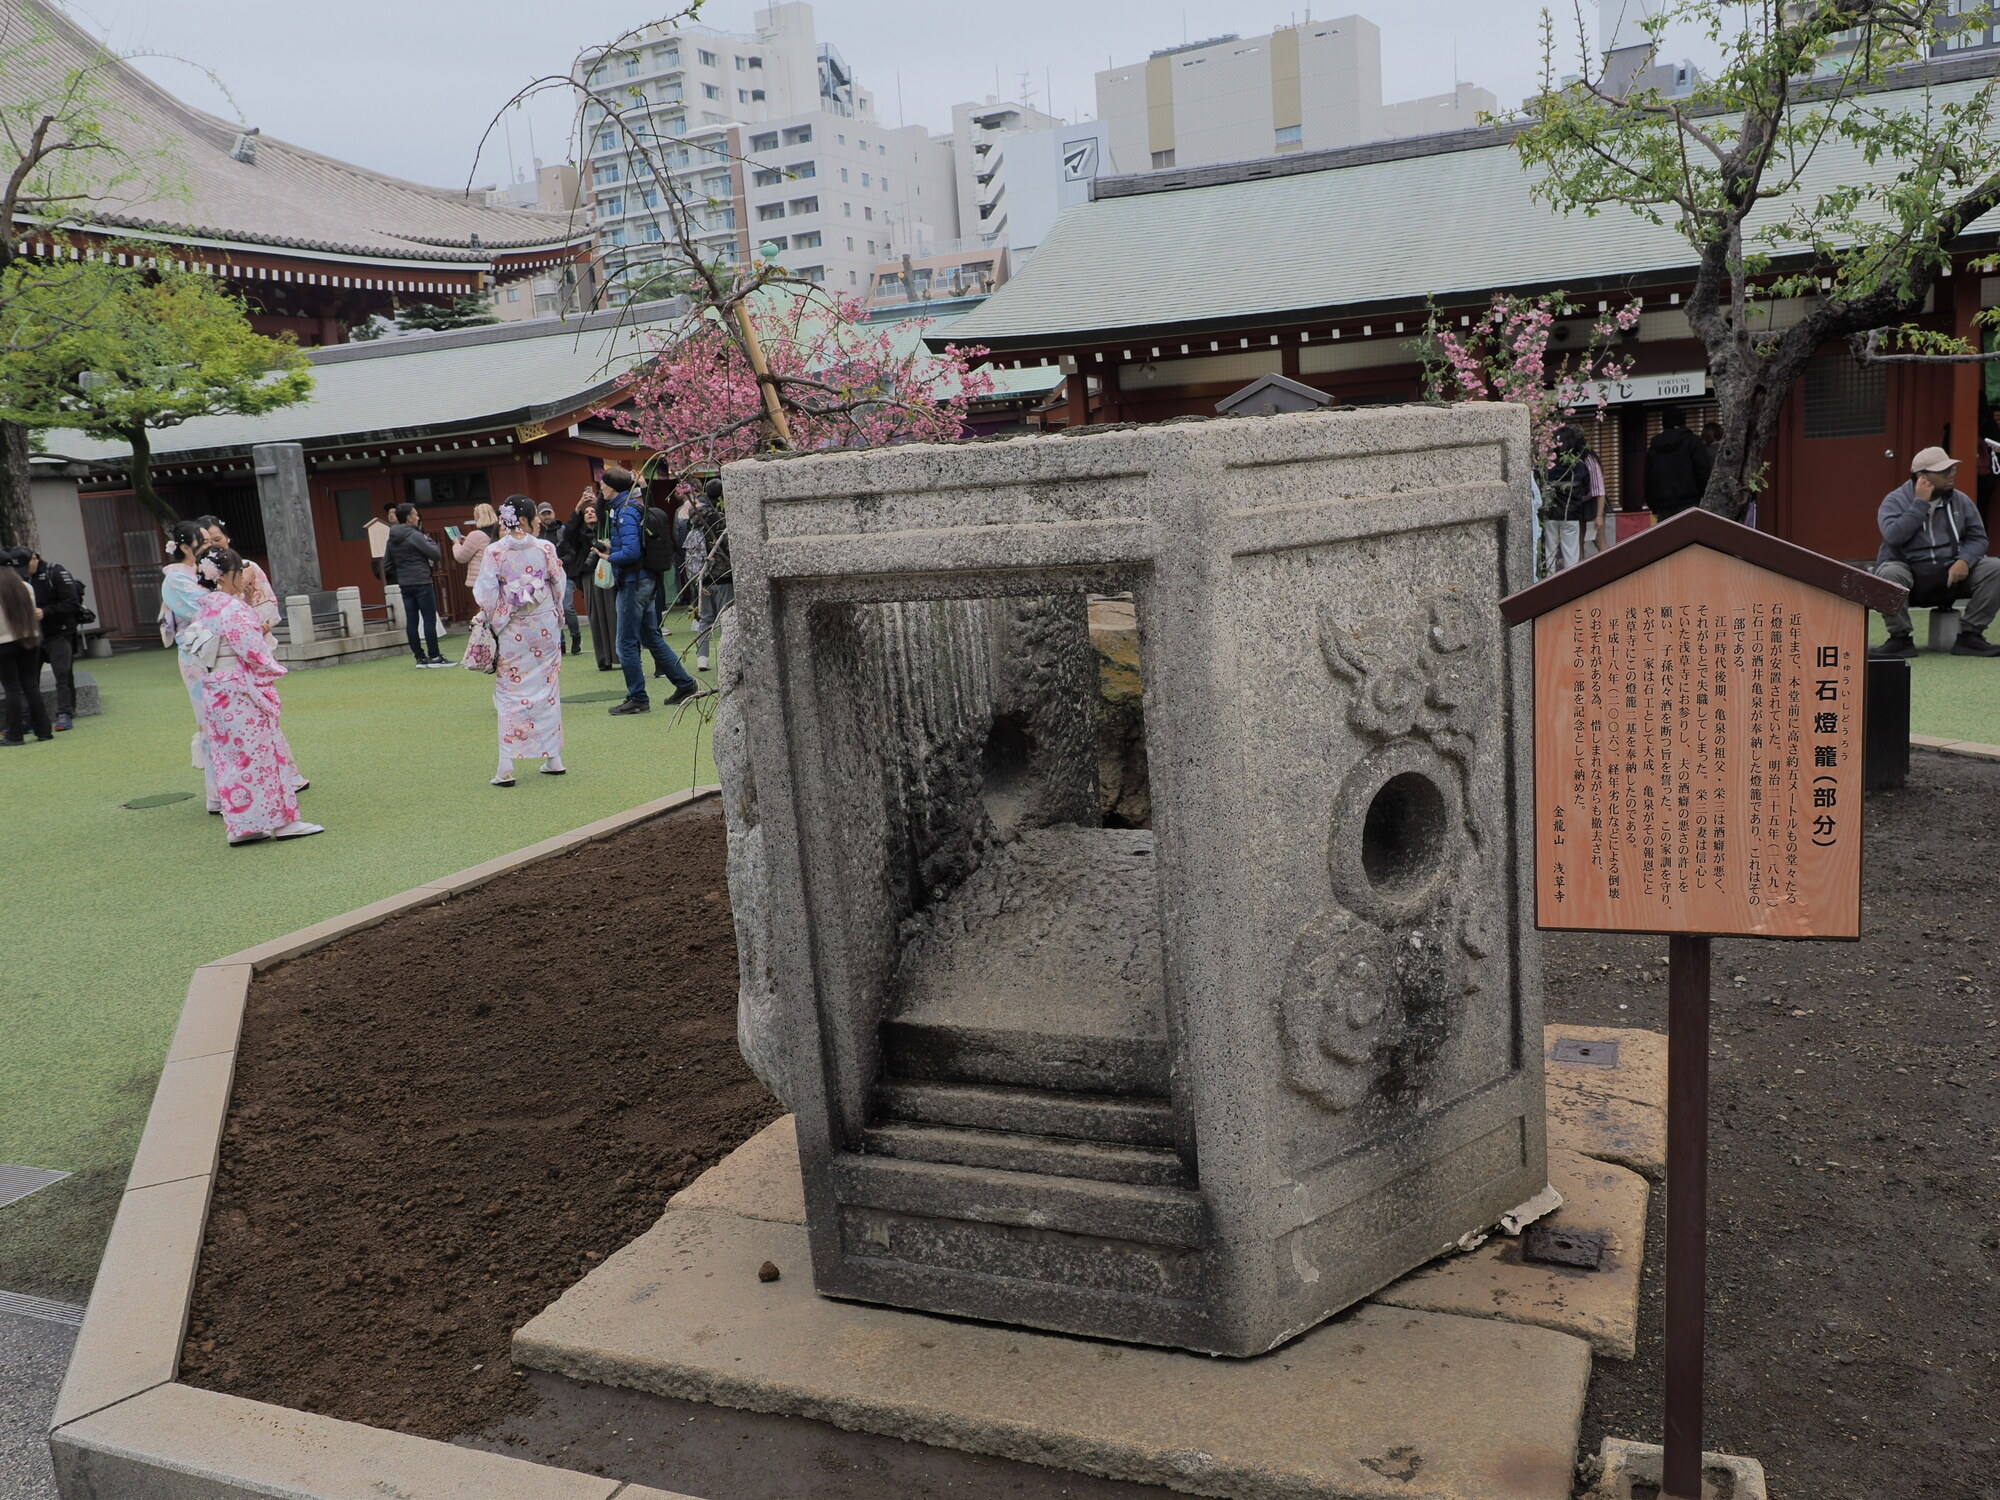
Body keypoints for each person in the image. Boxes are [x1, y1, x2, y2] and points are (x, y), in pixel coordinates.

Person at [180, 545, 322, 845]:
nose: (244, 576)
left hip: (215, 688)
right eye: (239, 571)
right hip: (239, 688)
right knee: (263, 754)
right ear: (227, 575)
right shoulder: (233, 609)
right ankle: (283, 822)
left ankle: (244, 826)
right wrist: (274, 670)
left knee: (231, 759)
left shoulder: (206, 608)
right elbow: (255, 652)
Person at [192, 517, 307, 794]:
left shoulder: (245, 572)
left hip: (232, 662)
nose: (211, 544)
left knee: (247, 731)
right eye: (206, 541)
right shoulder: (222, 601)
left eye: (215, 539)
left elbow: (266, 604)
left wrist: (256, 628)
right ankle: (264, 788)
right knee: (247, 732)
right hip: (235, 664)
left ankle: (268, 783)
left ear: (227, 538)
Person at [1868, 446, 2000, 659]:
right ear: (1921, 477)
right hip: (1910, 573)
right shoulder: (1894, 501)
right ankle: (1900, 639)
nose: (1951, 475)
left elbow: (1978, 538)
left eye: (1952, 470)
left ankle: (1970, 636)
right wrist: (1920, 504)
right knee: (1889, 574)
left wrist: (1965, 561)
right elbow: (1893, 536)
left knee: (1995, 568)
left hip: (1952, 572)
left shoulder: (1961, 500)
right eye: (1943, 471)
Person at [474, 497, 568, 785]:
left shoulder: (495, 552)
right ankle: (553, 758)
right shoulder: (545, 548)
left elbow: (486, 594)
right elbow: (559, 584)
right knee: (548, 689)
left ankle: (505, 767)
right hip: (545, 627)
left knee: (510, 692)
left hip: (513, 629)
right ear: (527, 518)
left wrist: (495, 614)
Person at [598, 464, 698, 715]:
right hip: (646, 581)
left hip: (633, 584)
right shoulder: (634, 507)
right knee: (651, 637)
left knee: (626, 644)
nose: (600, 488)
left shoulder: (624, 512)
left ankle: (638, 698)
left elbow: (632, 551)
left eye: (602, 484)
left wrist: (609, 557)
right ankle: (685, 684)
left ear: (611, 487)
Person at [20, 547, 85, 730]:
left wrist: (45, 612)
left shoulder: (55, 572)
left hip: (60, 631)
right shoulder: (21, 577)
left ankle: (65, 712)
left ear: (35, 558)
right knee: (29, 678)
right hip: (33, 635)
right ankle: (30, 718)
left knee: (62, 674)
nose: (23, 571)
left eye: (25, 566)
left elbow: (71, 603)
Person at [384, 503, 450, 666]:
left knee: (412, 621)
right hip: (422, 581)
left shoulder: (392, 537)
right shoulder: (415, 535)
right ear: (408, 517)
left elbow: (387, 565)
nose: (418, 517)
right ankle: (434, 656)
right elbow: (435, 554)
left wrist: (402, 573)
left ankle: (419, 657)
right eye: (415, 514)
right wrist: (429, 540)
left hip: (405, 583)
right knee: (428, 619)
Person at [564, 489, 618, 670]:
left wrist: (600, 503)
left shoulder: (609, 528)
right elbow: (568, 532)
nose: (589, 512)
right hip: (589, 576)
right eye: (586, 512)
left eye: (592, 510)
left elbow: (610, 516)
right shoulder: (578, 536)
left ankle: (619, 656)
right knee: (595, 617)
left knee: (613, 614)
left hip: (609, 573)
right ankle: (604, 659)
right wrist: (579, 506)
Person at [0, 553, 51, 745]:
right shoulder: (25, 587)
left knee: (12, 688)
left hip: (3, 643)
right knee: (31, 685)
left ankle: (15, 734)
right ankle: (44, 730)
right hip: (29, 638)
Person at [686, 477, 734, 672]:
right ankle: (727, 657)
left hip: (702, 576)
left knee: (705, 619)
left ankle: (702, 659)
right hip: (723, 575)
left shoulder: (696, 515)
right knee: (727, 618)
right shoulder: (722, 517)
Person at [1540, 426, 1597, 573]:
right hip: (1572, 514)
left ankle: (1548, 583)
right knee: (1571, 554)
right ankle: (1571, 584)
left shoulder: (1547, 466)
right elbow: (1586, 490)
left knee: (1549, 554)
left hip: (1550, 515)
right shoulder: (1579, 466)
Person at [1644, 408, 1712, 521]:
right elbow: (1703, 471)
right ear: (1682, 422)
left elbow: (1648, 479)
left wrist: (1653, 505)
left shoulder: (1655, 447)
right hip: (1690, 502)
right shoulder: (1692, 442)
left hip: (1663, 505)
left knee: (1668, 538)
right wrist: (1703, 495)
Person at [537, 502, 581, 654]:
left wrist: (562, 561)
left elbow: (571, 552)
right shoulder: (536, 534)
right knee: (552, 611)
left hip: (564, 575)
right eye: (543, 514)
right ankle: (560, 643)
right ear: (538, 516)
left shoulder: (563, 531)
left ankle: (576, 637)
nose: (547, 516)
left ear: (554, 514)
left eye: (549, 513)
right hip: (545, 579)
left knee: (567, 608)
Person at [454, 502, 499, 595]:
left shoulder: (476, 535)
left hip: (481, 580)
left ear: (478, 517)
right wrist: (468, 541)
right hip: (496, 577)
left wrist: (456, 544)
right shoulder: (498, 532)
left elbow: (460, 557)